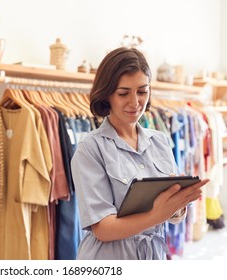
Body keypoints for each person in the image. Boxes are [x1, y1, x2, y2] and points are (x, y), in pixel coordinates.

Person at [71, 47, 209, 260]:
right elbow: (103, 228)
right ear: (107, 95)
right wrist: (157, 214)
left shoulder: (160, 140)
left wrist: (177, 207)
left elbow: (174, 215)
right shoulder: (90, 148)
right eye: (124, 93)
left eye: (142, 91)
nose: (135, 103)